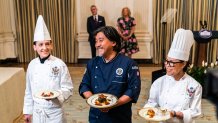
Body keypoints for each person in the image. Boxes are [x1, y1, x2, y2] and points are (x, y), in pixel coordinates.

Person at [79, 26, 141, 123]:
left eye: (101, 40)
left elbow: (133, 89)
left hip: (119, 117)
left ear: (113, 42)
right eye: (96, 41)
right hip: (96, 116)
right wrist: (93, 101)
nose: (97, 45)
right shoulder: (92, 63)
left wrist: (114, 104)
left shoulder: (128, 63)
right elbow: (84, 85)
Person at [144, 28, 202, 123]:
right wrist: (147, 109)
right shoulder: (158, 83)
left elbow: (195, 111)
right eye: (167, 61)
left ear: (183, 64)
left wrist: (176, 114)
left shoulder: (195, 86)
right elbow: (151, 103)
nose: (167, 66)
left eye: (172, 63)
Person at [23, 15, 73, 123]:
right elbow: (28, 90)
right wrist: (27, 111)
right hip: (37, 112)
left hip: (55, 112)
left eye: (47, 44)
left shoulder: (60, 64)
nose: (44, 48)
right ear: (34, 47)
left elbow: (68, 88)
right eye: (40, 44)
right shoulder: (31, 65)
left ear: (52, 45)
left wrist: (56, 95)